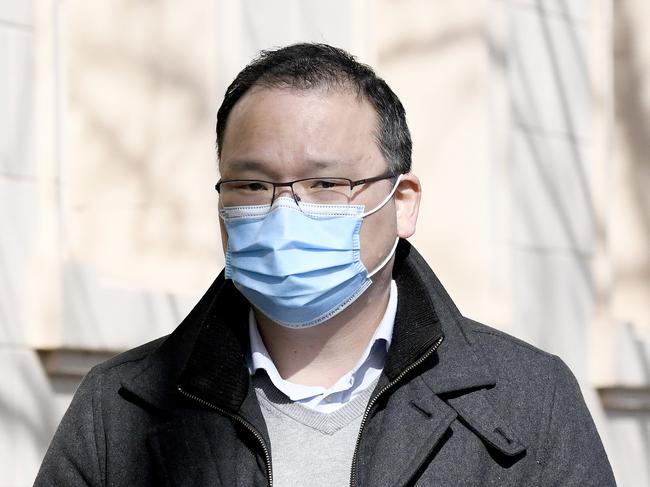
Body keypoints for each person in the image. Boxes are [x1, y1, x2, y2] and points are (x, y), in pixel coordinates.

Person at [35, 43, 616, 486]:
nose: (284, 210)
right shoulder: (118, 410)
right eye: (252, 183)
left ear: (403, 202)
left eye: (327, 183)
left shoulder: (530, 400)